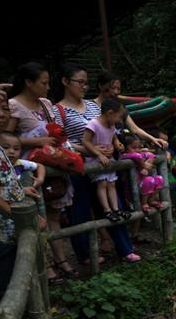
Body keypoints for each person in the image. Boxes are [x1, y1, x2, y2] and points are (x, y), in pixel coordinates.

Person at [53, 63, 140, 264]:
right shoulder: (58, 110)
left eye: (86, 83)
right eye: (80, 82)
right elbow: (61, 142)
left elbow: (108, 128)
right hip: (79, 166)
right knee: (80, 210)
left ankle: (125, 249)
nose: (84, 87)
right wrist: (90, 149)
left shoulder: (94, 106)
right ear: (66, 82)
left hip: (103, 164)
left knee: (113, 205)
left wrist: (111, 146)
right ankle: (85, 255)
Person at [7, 62, 76, 282]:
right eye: (44, 83)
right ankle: (44, 267)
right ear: (29, 83)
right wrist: (38, 140)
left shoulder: (46, 104)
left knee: (54, 213)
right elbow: (6, 140)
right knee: (36, 217)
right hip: (30, 169)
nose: (48, 88)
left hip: (53, 165)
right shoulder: (14, 105)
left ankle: (61, 260)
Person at [0, 90, 45, 295]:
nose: (1, 114)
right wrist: (28, 219)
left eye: (4, 108)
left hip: (8, 232)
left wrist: (18, 189)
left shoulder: (1, 149)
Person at [81, 98, 130, 224]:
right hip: (95, 159)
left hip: (108, 159)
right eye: (118, 117)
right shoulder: (93, 124)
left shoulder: (111, 125)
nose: (119, 121)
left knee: (111, 183)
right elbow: (85, 141)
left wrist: (117, 144)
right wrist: (98, 154)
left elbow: (113, 138)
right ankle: (107, 210)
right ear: (110, 113)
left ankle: (116, 208)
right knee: (102, 183)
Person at [120, 134, 165, 212]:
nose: (137, 150)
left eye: (139, 147)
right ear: (125, 147)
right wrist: (144, 166)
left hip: (142, 187)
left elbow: (151, 154)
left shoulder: (140, 153)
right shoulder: (124, 156)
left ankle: (151, 200)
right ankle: (144, 203)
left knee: (159, 178)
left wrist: (149, 162)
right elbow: (137, 156)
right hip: (132, 189)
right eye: (134, 147)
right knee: (149, 179)